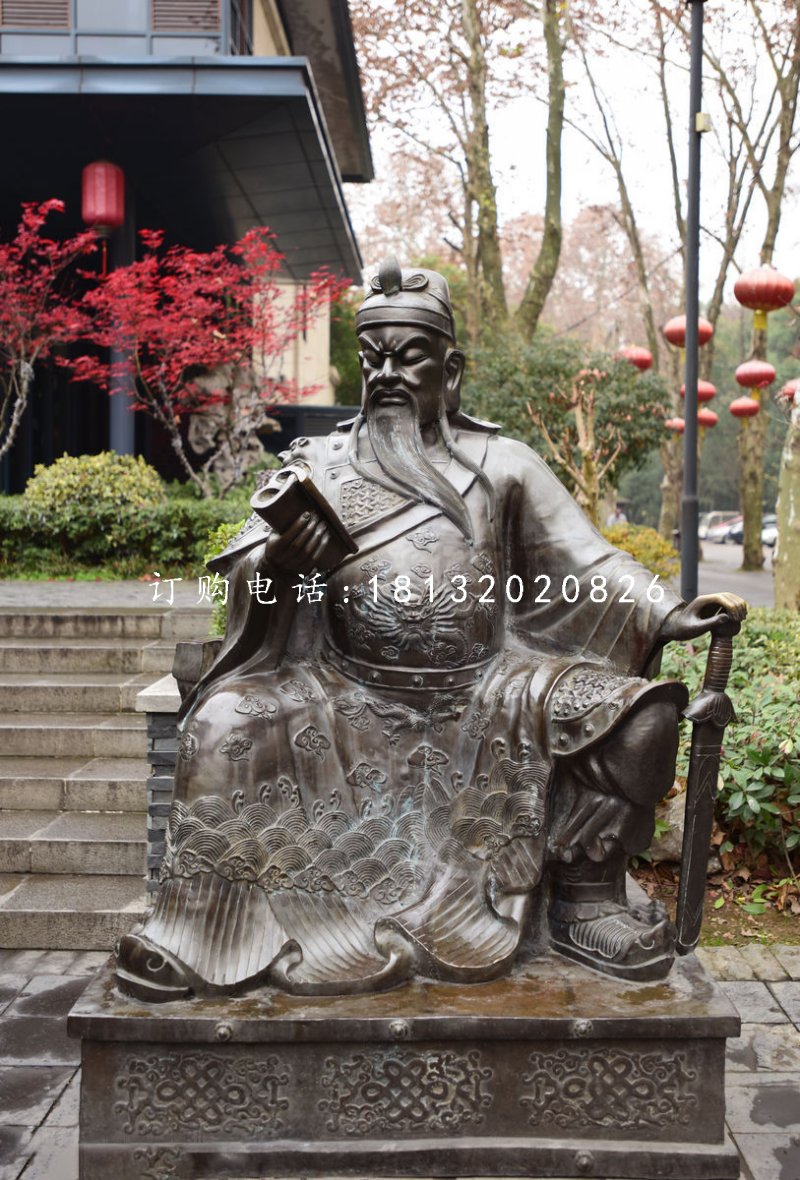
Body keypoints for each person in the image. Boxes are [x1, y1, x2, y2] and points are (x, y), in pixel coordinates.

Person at [116, 260, 746, 1001]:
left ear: (450, 372)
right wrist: (280, 560)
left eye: (408, 357)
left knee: (643, 719)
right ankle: (202, 928)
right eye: (372, 358)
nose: (386, 374)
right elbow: (247, 577)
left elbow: (590, 562)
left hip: (492, 694)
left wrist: (667, 610)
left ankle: (585, 903)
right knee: (222, 721)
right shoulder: (316, 465)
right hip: (340, 695)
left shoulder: (503, 465)